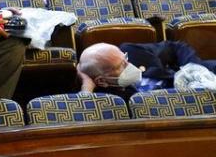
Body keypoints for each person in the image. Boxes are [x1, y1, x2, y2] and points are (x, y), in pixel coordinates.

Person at [77, 41, 216, 98]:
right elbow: (84, 113)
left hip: (200, 78)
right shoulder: (110, 99)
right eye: (121, 66)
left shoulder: (131, 51)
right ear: (102, 81)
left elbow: (175, 46)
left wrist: (196, 71)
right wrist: (86, 85)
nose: (129, 64)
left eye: (125, 58)